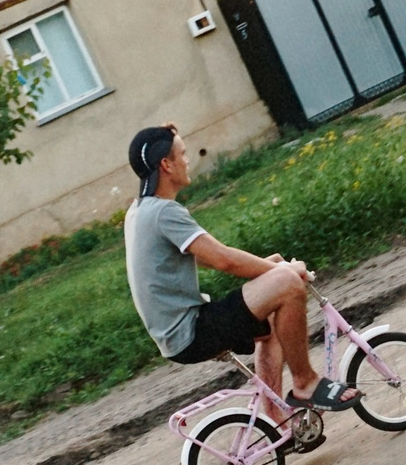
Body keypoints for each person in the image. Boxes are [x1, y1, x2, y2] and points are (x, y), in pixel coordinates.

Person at [123, 124, 357, 419]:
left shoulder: (139, 211)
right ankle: (305, 383)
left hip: (178, 335)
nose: (187, 160)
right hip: (192, 331)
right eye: (182, 154)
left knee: (273, 313)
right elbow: (224, 261)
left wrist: (270, 268)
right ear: (166, 165)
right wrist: (283, 271)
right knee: (287, 284)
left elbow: (206, 257)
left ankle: (279, 419)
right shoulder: (164, 212)